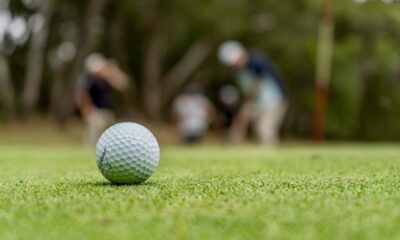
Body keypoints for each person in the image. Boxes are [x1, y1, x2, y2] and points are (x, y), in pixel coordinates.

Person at [218, 41, 288, 145]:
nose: (235, 65)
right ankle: (233, 146)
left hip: (274, 100)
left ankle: (270, 155)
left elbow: (258, 86)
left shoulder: (257, 62)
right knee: (241, 124)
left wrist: (247, 106)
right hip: (257, 101)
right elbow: (248, 91)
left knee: (264, 128)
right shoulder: (239, 72)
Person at [75, 53, 129, 145]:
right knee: (93, 140)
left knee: (109, 140)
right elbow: (81, 94)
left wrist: (114, 71)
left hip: (108, 112)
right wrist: (85, 108)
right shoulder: (88, 80)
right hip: (95, 112)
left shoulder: (106, 79)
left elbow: (123, 84)